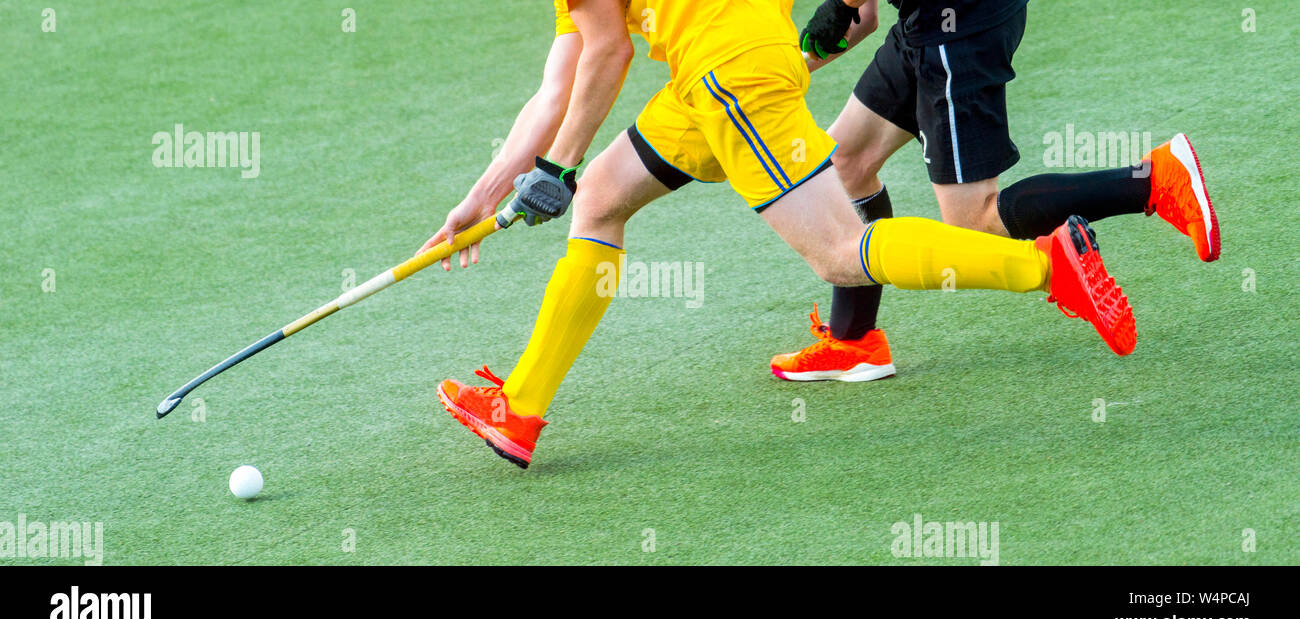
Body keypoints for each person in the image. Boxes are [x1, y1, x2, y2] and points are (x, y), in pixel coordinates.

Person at [425, 0, 1134, 469]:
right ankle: (520, 409)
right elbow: (561, 79)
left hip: (727, 77)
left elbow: (607, 55)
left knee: (838, 251)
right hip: (721, 70)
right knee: (602, 202)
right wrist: (481, 200)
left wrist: (559, 165)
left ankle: (1047, 267)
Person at [772, 0, 1219, 382]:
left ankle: (1152, 181)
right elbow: (861, 16)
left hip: (956, 28)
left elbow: (852, 7)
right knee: (848, 159)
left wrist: (834, 13)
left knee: (972, 220)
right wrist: (793, 62)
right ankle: (855, 342)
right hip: (936, 20)